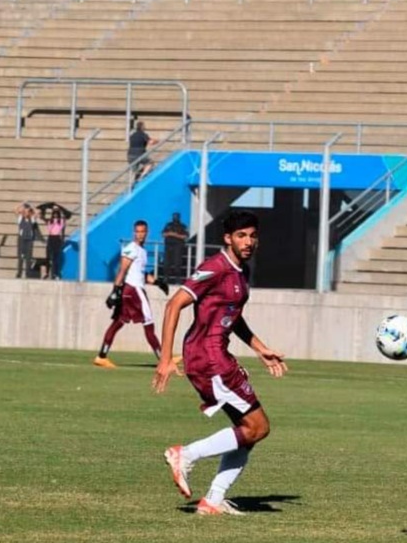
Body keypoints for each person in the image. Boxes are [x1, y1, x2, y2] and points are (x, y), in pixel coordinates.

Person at [152, 210, 288, 516]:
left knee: (247, 432)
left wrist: (259, 347)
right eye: (241, 235)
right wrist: (164, 359)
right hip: (208, 358)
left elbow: (233, 316)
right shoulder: (215, 267)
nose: (249, 241)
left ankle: (213, 500)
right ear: (227, 239)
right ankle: (184, 455)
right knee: (259, 427)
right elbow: (174, 304)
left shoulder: (242, 272)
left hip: (217, 356)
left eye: (253, 235)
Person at [95, 220, 170, 369]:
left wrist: (158, 283)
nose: (140, 234)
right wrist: (115, 291)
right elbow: (122, 270)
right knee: (148, 321)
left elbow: (142, 274)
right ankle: (163, 359)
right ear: (134, 232)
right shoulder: (131, 248)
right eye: (138, 231)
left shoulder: (142, 251)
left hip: (133, 289)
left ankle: (101, 357)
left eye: (143, 231)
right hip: (133, 290)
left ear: (146, 232)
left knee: (118, 323)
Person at [161, 212, 189, 283]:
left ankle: (177, 279)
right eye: (174, 216)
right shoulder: (168, 225)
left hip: (178, 247)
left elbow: (185, 236)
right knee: (166, 263)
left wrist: (174, 235)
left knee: (177, 263)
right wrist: (169, 234)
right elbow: (163, 234)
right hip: (168, 246)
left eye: (176, 216)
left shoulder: (183, 226)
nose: (175, 218)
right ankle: (166, 278)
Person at [14, 203, 40, 279]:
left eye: (27, 212)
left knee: (28, 257)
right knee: (21, 257)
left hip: (29, 240)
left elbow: (37, 212)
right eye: (25, 212)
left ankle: (28, 273)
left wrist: (31, 207)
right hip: (22, 239)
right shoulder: (20, 218)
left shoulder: (31, 219)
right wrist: (21, 204)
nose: (26, 213)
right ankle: (19, 273)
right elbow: (15, 210)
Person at [43, 207, 66, 280]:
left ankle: (56, 273)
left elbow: (66, 216)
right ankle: (47, 273)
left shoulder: (61, 221)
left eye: (56, 214)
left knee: (56, 258)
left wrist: (59, 209)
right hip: (51, 238)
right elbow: (49, 228)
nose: (55, 216)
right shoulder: (50, 221)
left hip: (57, 238)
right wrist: (52, 223)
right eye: (54, 214)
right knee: (48, 257)